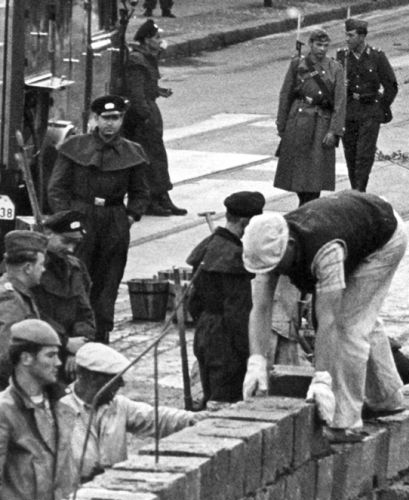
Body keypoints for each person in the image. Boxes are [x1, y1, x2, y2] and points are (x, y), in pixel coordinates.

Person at [241, 192, 407, 443]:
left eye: (276, 266)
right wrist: (256, 361)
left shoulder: (325, 249)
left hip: (384, 238)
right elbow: (261, 308)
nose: (272, 273)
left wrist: (322, 379)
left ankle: (345, 422)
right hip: (355, 222)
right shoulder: (267, 248)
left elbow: (329, 320)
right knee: (361, 317)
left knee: (349, 325)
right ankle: (387, 397)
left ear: (291, 246)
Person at [48, 94, 151, 345]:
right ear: (95, 118)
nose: (110, 124)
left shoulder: (132, 152)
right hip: (81, 216)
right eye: (105, 118)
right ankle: (75, 331)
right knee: (77, 273)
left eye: (115, 118)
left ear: (122, 119)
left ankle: (101, 331)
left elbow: (141, 192)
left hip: (114, 218)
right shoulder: (75, 147)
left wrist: (129, 216)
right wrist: (67, 220)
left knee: (109, 278)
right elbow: (56, 188)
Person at [62, 343, 201, 482]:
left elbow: (157, 418)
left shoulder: (119, 406)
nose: (121, 384)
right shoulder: (59, 409)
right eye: (116, 379)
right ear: (93, 378)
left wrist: (194, 418)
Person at [186, 191, 265, 407]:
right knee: (225, 402)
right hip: (226, 341)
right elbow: (238, 314)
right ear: (245, 223)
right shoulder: (234, 259)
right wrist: (251, 354)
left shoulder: (209, 244)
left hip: (204, 331)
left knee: (210, 392)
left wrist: (205, 322)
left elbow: (192, 302)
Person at [0, 320, 75, 500]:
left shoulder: (63, 403)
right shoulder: (5, 410)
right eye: (50, 356)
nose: (58, 363)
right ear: (26, 359)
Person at [275, 29, 347, 207]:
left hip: (321, 121)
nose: (322, 49)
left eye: (325, 45)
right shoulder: (298, 64)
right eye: (318, 45)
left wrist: (334, 130)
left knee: (316, 173)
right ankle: (304, 203)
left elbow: (340, 101)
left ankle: (308, 206)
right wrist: (282, 124)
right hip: (298, 120)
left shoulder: (335, 67)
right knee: (297, 171)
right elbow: (286, 94)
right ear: (310, 44)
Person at [123, 20, 186, 217]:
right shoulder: (137, 60)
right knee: (148, 158)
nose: (161, 41)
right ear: (147, 40)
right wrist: (144, 116)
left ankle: (162, 196)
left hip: (150, 109)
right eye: (157, 38)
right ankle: (151, 199)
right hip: (143, 114)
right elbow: (136, 92)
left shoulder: (147, 57)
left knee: (158, 156)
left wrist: (159, 91)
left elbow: (147, 85)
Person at [336, 19, 399, 193]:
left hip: (369, 111)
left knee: (364, 155)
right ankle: (355, 188)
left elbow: (391, 86)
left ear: (362, 36)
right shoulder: (342, 56)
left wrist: (380, 107)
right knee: (350, 154)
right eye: (346, 35)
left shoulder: (376, 56)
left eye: (351, 35)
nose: (347, 39)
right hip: (349, 111)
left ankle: (359, 191)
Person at [33, 211, 94, 366]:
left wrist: (78, 348)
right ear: (48, 234)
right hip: (39, 350)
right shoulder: (32, 269)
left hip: (70, 353)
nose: (71, 249)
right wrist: (64, 342)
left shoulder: (76, 268)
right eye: (66, 241)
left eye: (75, 243)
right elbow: (32, 314)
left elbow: (85, 312)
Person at [0, 232, 48, 388]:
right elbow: (6, 354)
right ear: (28, 267)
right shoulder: (11, 299)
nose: (44, 269)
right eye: (41, 264)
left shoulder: (19, 293)